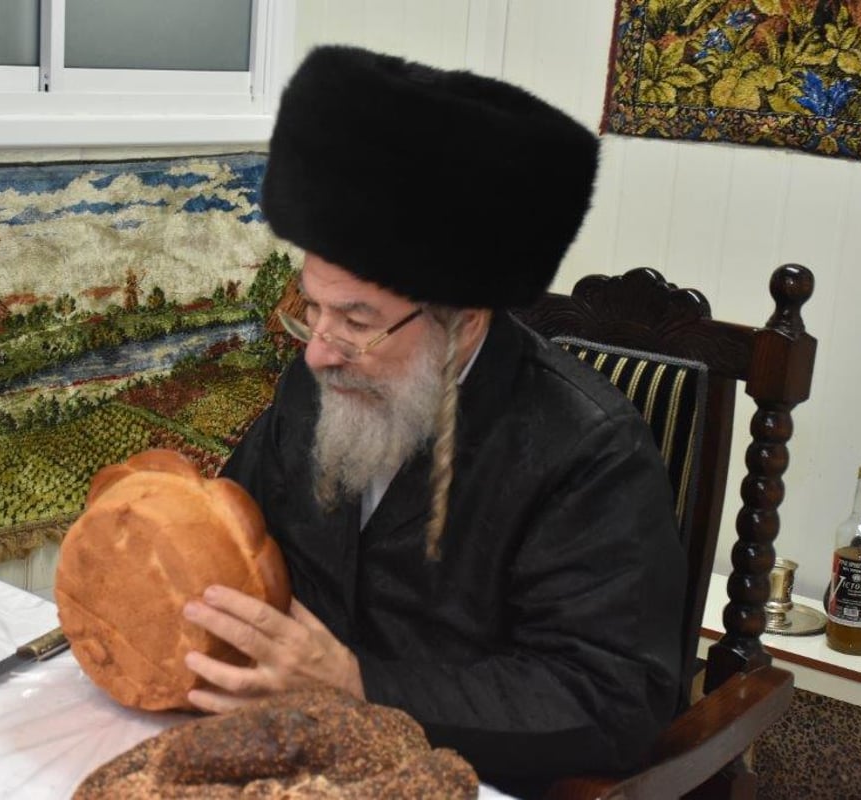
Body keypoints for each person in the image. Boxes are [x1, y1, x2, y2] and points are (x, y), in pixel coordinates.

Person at [180, 45, 687, 797]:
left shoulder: (587, 450)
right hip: (287, 759)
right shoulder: (318, 381)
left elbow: (610, 698)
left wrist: (355, 682)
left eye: (357, 320)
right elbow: (237, 534)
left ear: (467, 322)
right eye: (310, 309)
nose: (319, 353)